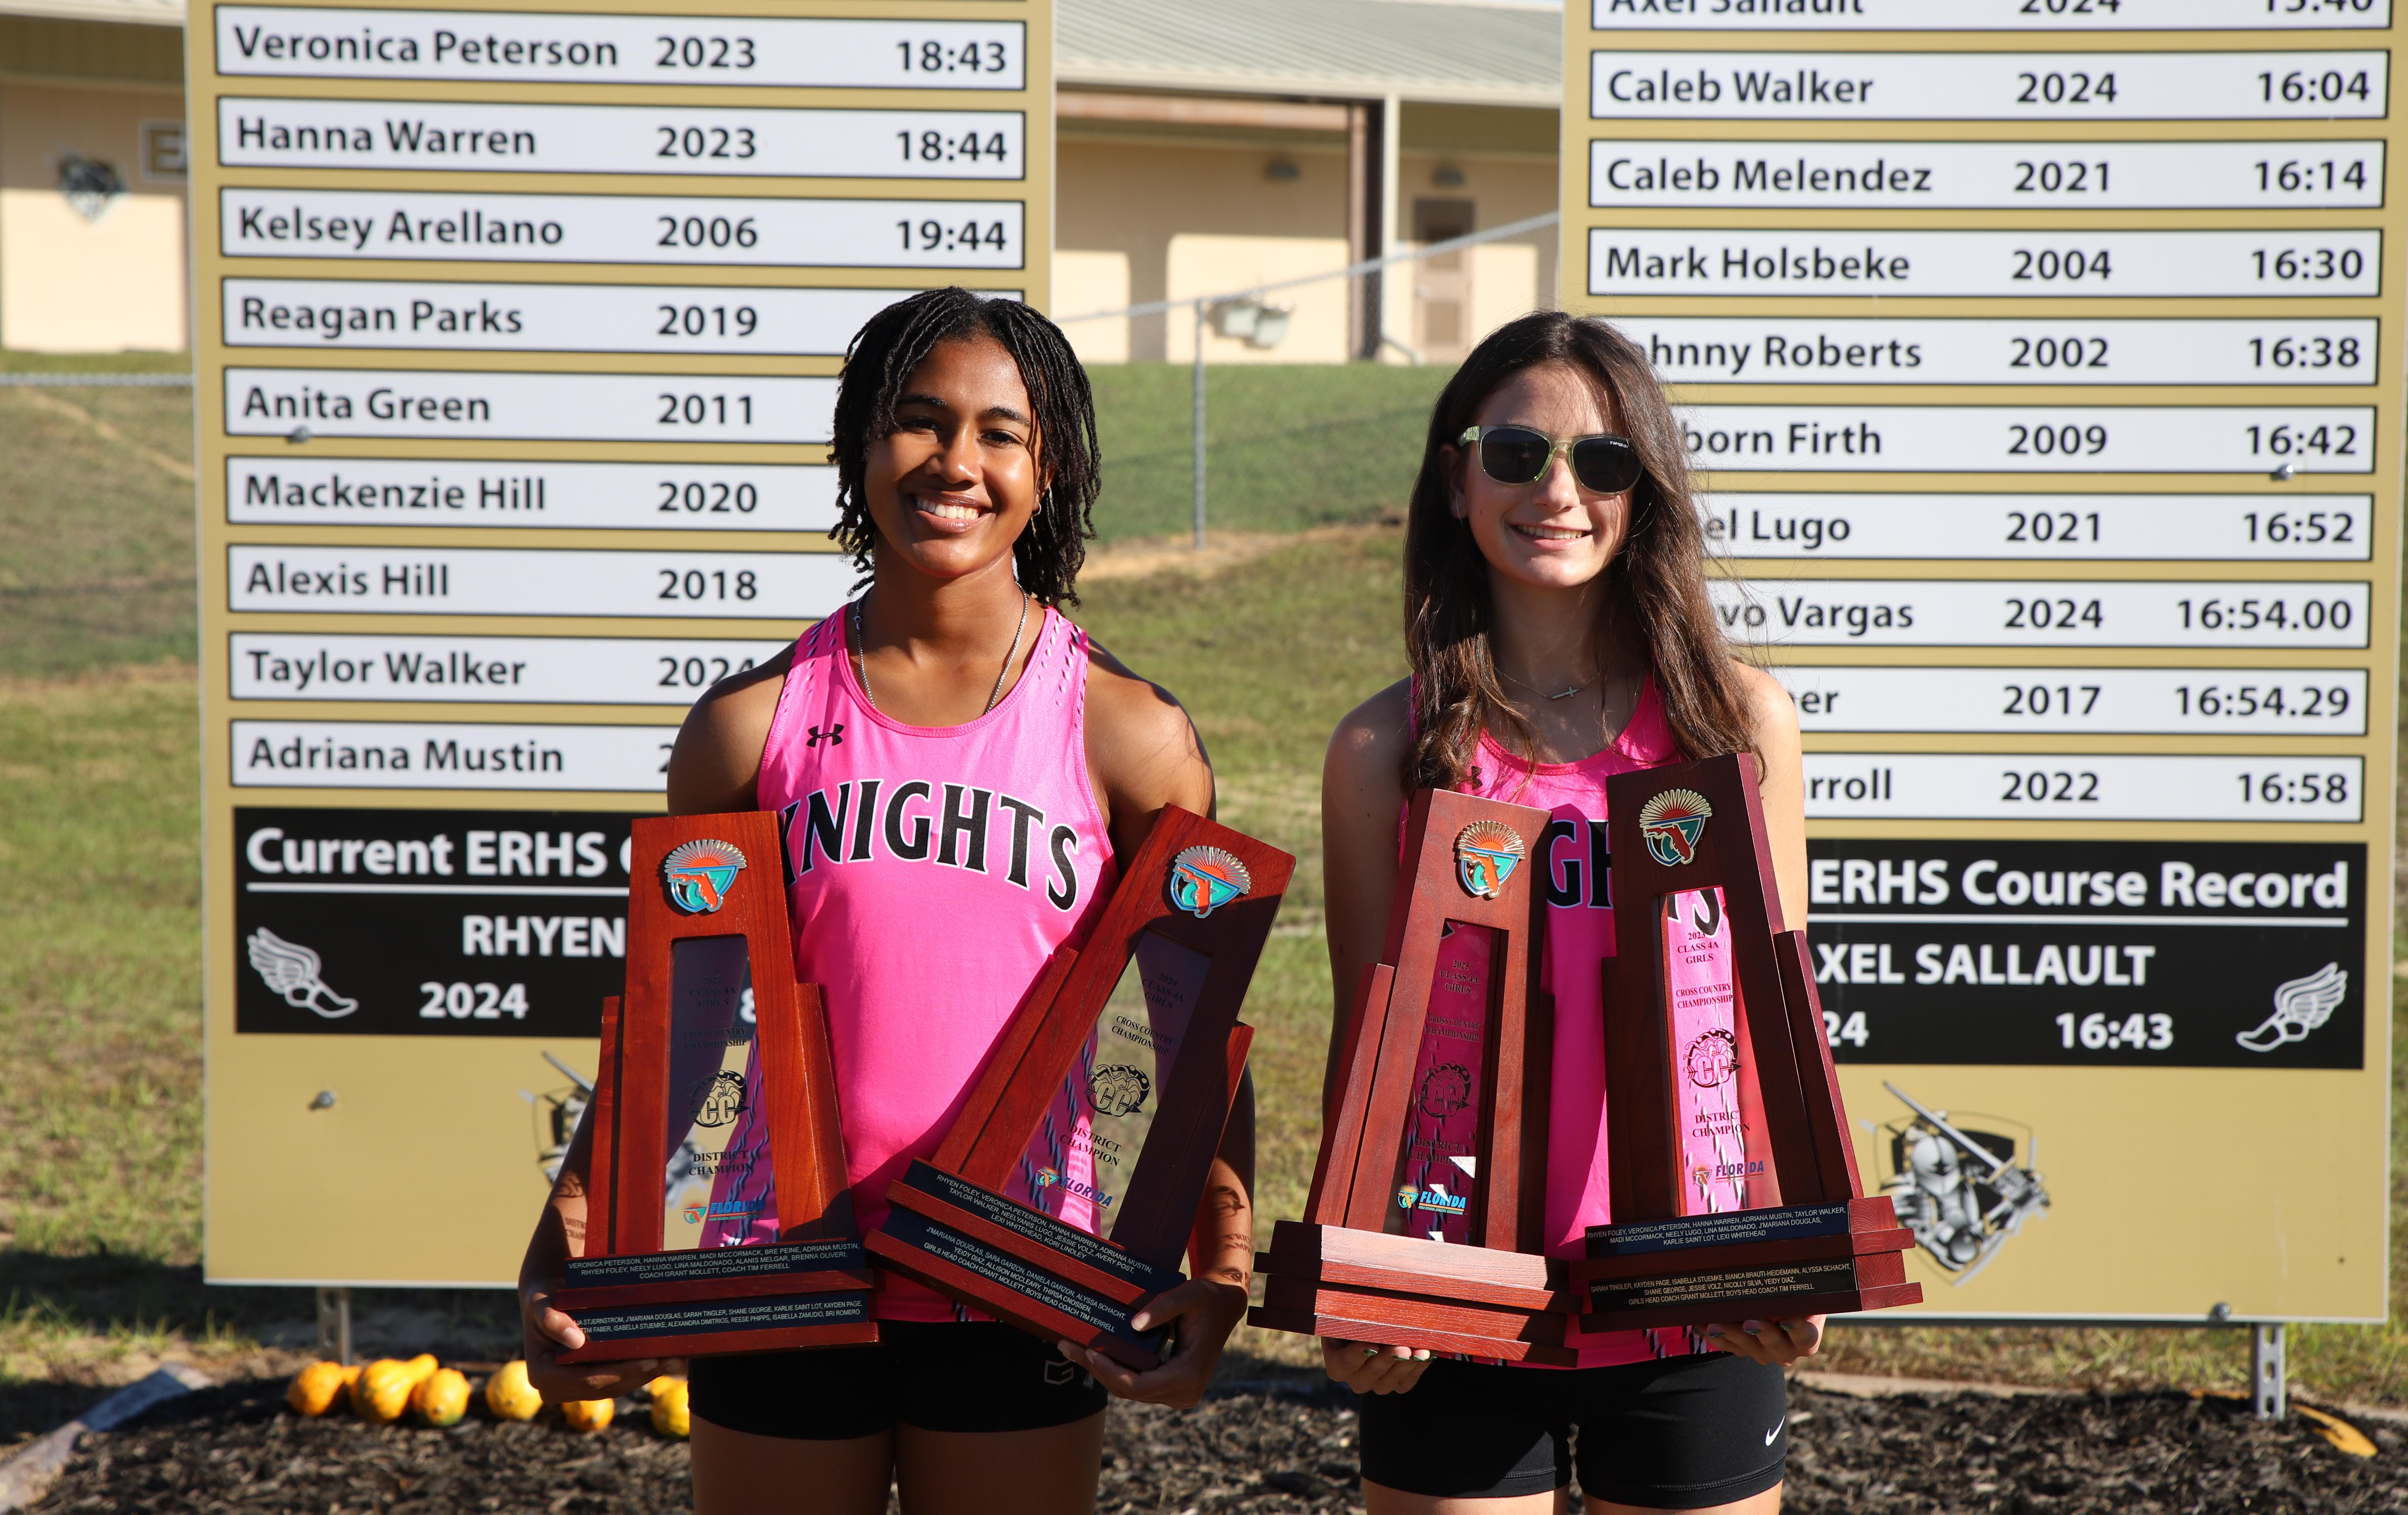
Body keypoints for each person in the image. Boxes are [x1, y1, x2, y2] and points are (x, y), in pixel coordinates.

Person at [512, 288, 1250, 1515]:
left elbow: (1192, 1028)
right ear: (862, 447)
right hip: (783, 1266)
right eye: (918, 421)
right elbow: (674, 1018)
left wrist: (1218, 1265)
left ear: (1048, 467)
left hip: (1018, 1272)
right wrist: (569, 1231)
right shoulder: (748, 728)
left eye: (999, 432)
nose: (956, 461)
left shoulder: (1128, 734)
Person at [1319, 311, 1818, 1514]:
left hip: (1693, 1292)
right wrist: (1357, 1280)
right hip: (1454, 1292)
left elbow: (1777, 1017)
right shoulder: (1384, 747)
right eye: (1517, 453)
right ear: (1455, 478)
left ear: (1644, 490)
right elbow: (1364, 1046)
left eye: (1602, 462)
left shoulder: (1740, 726)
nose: (1559, 490)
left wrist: (1788, 1255)